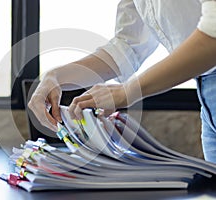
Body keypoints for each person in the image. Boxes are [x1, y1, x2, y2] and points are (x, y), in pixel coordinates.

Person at [28, 0, 216, 163]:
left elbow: (212, 35)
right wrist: (55, 77)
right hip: (207, 92)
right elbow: (127, 46)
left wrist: (127, 92)